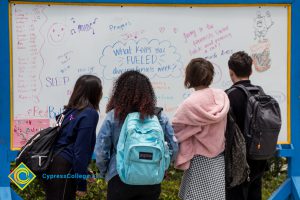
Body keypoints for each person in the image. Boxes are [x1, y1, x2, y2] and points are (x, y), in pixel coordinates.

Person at [95, 70, 178, 200]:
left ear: (120, 91)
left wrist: (104, 171)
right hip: (152, 177)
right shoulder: (158, 116)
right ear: (148, 92)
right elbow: (174, 145)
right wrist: (163, 166)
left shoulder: (114, 116)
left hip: (119, 175)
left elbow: (101, 149)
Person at [172, 58, 230, 200]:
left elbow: (176, 130)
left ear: (189, 76)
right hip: (218, 160)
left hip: (198, 161)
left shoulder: (189, 105)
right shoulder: (221, 97)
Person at [44, 75, 103, 200]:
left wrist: (84, 172)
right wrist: (81, 183)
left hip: (54, 165)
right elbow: (80, 151)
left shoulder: (69, 112)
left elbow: (67, 142)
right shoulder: (90, 113)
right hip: (65, 168)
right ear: (94, 93)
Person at [225, 51, 268, 200]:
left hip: (237, 163)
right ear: (250, 71)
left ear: (231, 73)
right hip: (258, 158)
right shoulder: (261, 93)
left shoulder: (229, 96)